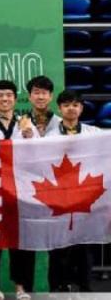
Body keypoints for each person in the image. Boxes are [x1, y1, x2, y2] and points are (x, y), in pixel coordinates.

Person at [0, 81, 35, 300]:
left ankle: (21, 286)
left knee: (21, 240)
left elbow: (38, 156)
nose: (5, 99)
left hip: (21, 191)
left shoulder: (26, 124)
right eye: (0, 95)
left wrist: (29, 136)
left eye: (9, 95)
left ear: (15, 99)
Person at [45, 89, 100, 293]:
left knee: (84, 246)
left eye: (75, 105)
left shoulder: (94, 133)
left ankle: (85, 286)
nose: (71, 108)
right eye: (66, 105)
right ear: (59, 108)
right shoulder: (48, 137)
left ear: (81, 108)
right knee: (58, 247)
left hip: (84, 197)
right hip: (58, 197)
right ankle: (57, 286)